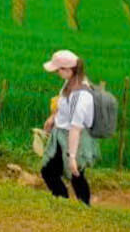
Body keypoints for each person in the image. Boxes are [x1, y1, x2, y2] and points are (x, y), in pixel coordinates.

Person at [40, 50, 99, 206]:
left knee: (74, 173)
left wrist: (72, 157)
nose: (56, 73)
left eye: (58, 70)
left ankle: (82, 206)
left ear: (68, 69)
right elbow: (62, 103)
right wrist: (52, 118)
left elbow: (76, 128)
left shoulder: (81, 94)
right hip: (62, 135)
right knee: (51, 171)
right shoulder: (69, 83)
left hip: (75, 138)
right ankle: (64, 201)